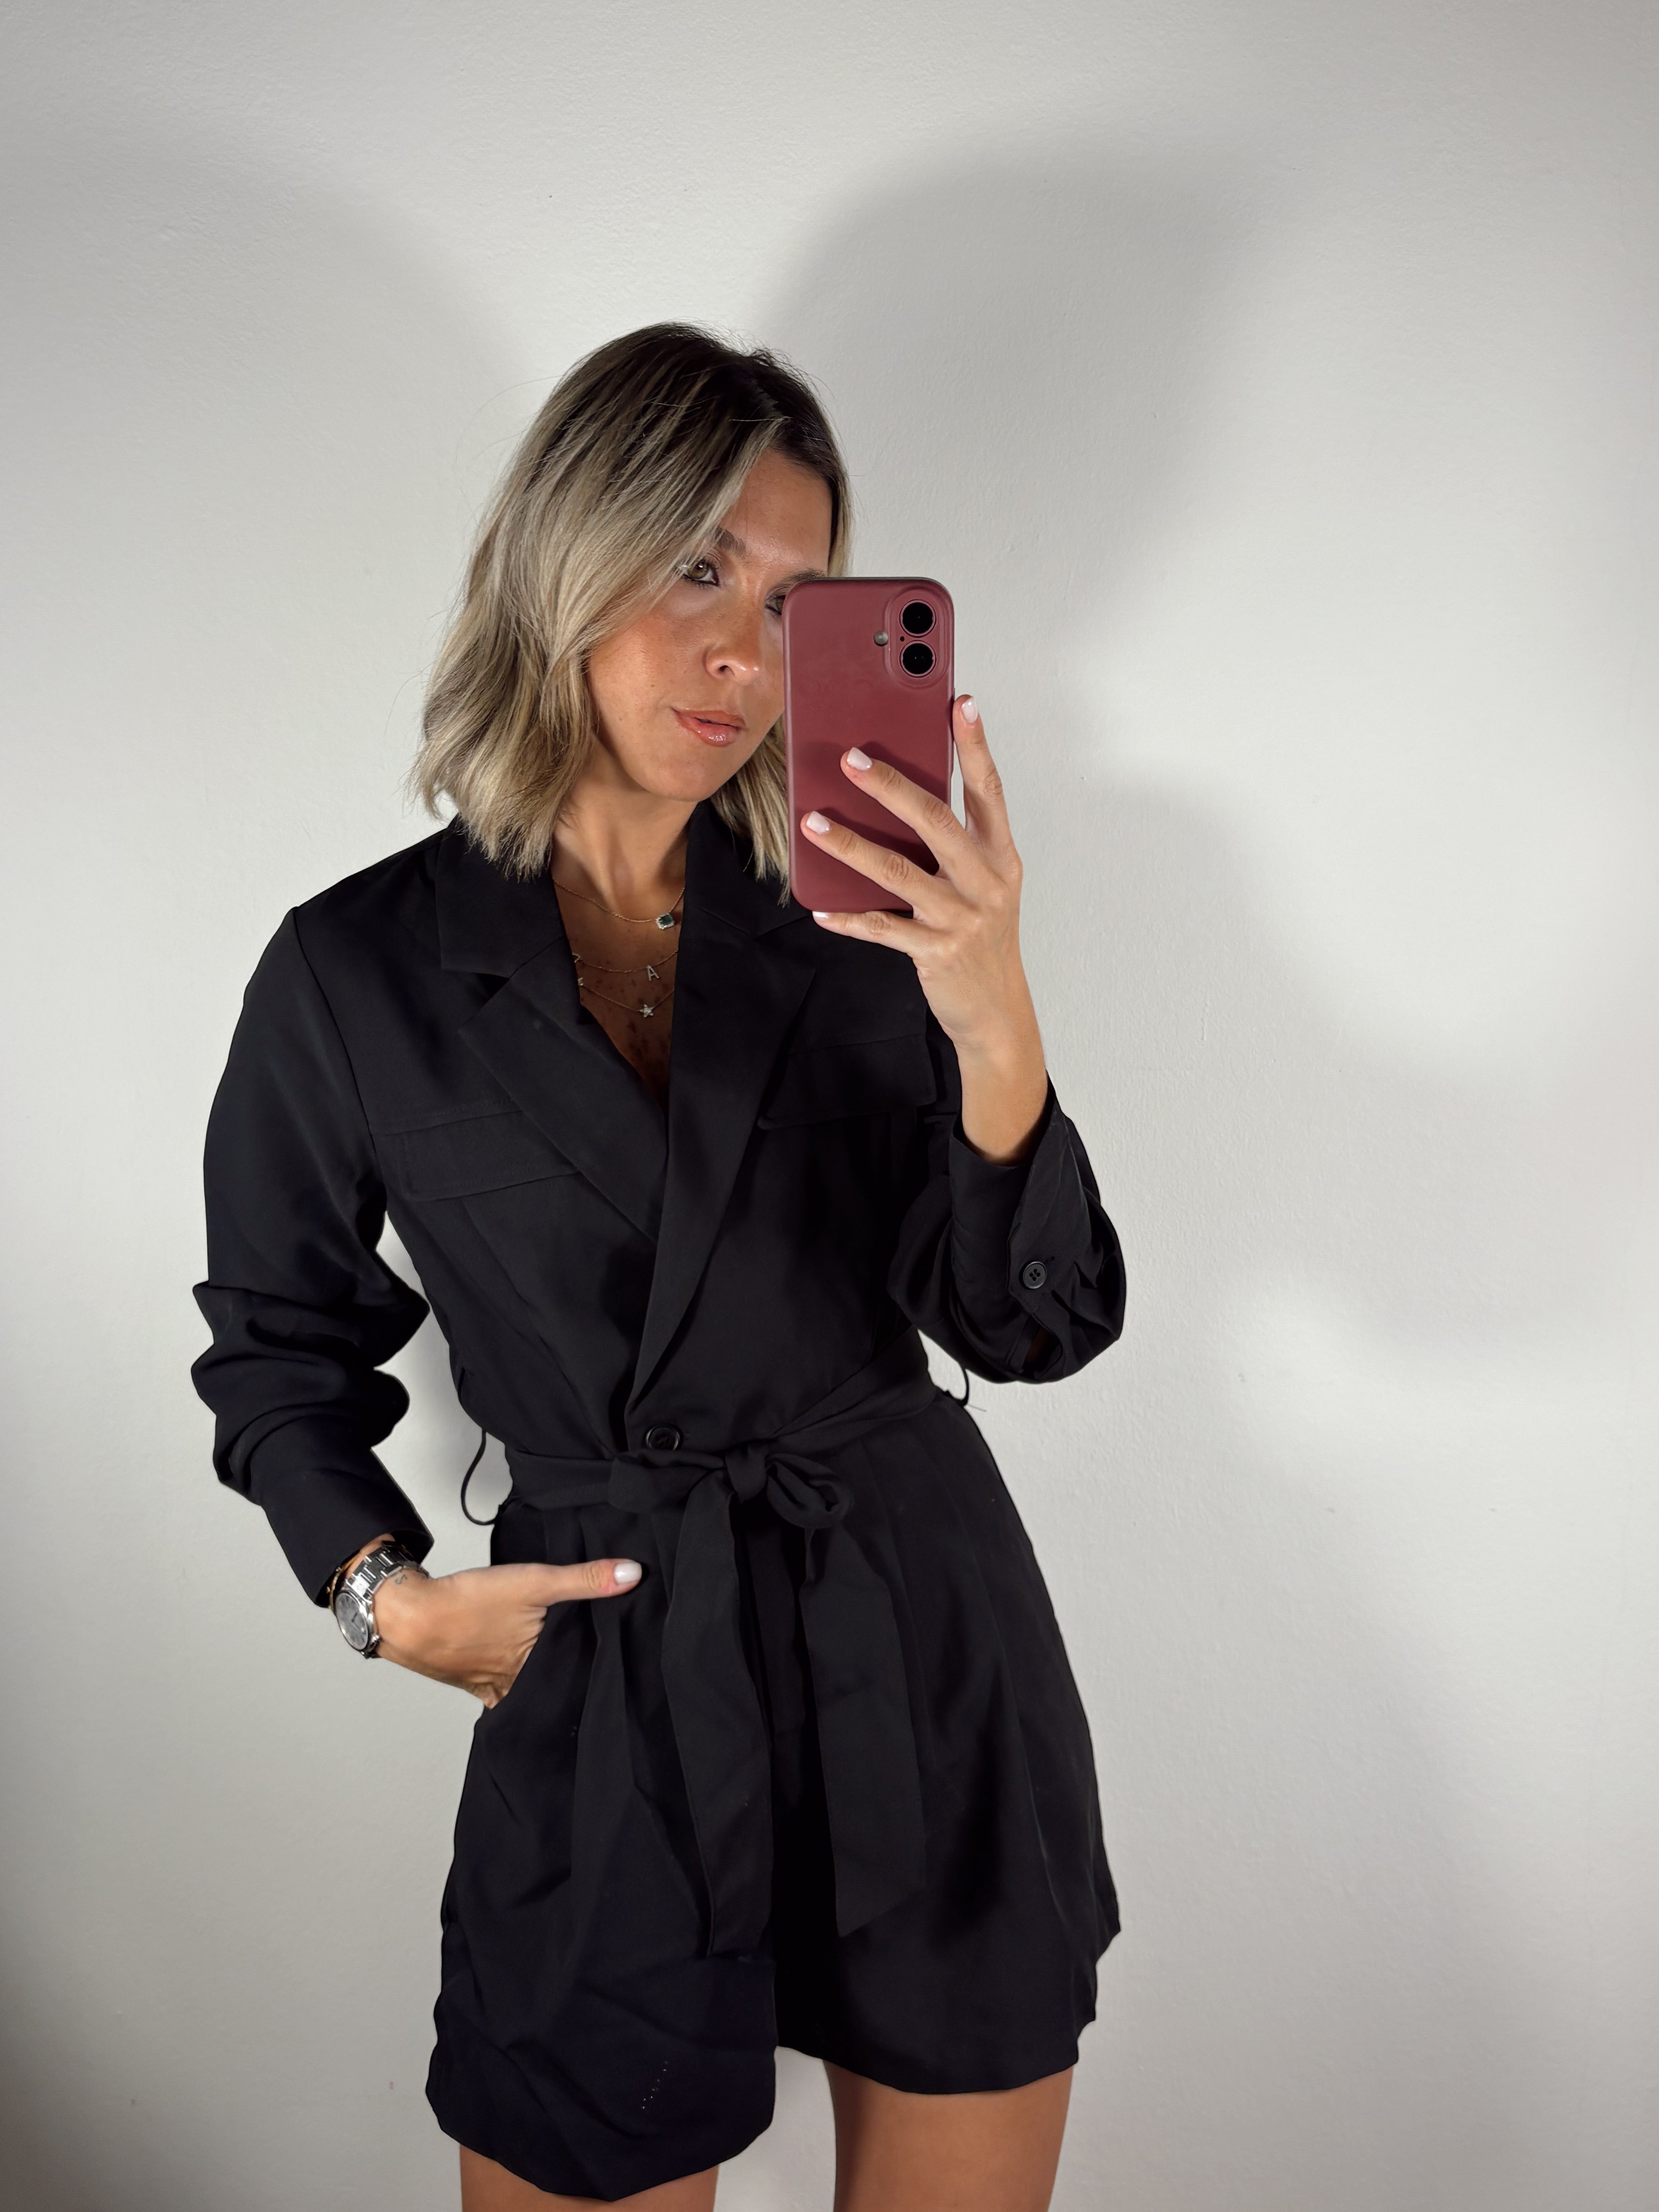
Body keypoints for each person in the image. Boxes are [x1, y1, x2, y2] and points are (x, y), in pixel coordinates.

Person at [192, 324, 1126, 2212]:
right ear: (566, 555)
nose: (741, 658)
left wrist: (994, 1013)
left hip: (916, 1631)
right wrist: (386, 1600)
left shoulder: (874, 924)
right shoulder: (354, 973)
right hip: (611, 1659)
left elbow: (1029, 1325)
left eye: (793, 603)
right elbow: (277, 1352)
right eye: (697, 566)